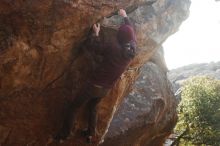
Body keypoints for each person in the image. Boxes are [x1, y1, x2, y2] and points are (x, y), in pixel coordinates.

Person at [54, 9, 137, 143]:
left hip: (93, 85)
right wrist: (125, 17)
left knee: (74, 107)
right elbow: (131, 32)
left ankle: (65, 134)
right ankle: (91, 134)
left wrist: (96, 33)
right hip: (106, 88)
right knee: (93, 107)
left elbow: (94, 46)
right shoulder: (132, 49)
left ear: (120, 37)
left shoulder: (113, 47)